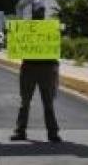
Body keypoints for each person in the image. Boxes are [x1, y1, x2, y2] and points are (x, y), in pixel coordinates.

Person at [10, 9, 62, 143]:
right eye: (37, 12)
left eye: (40, 12)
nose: (38, 15)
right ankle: (21, 131)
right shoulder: (26, 29)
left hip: (45, 69)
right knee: (25, 102)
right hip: (30, 68)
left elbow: (55, 49)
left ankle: (52, 132)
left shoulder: (49, 29)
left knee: (47, 103)